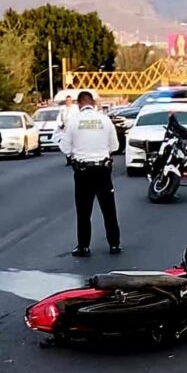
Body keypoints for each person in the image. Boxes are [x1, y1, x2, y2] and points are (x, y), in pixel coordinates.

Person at [63, 91, 121, 257]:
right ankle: (114, 244)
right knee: (109, 209)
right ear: (93, 103)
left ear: (79, 104)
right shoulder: (105, 120)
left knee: (83, 211)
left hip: (83, 171)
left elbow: (65, 148)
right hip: (103, 170)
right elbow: (114, 146)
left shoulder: (73, 122)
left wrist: (77, 153)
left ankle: (83, 246)